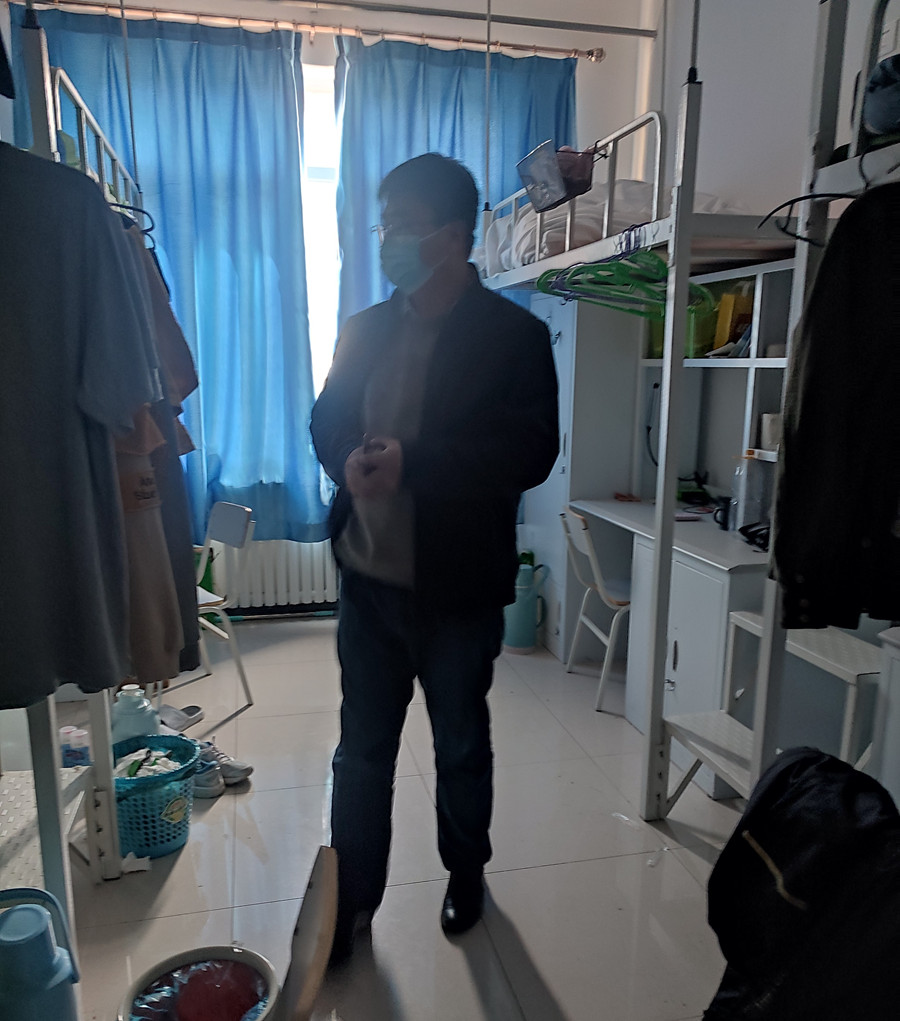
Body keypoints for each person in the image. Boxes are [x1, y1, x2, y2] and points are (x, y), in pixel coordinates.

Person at [310, 152, 559, 964]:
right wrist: (347, 458)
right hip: (369, 581)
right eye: (384, 225)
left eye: (404, 226)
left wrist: (412, 463)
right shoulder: (364, 329)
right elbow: (327, 417)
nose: (389, 240)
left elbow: (530, 451)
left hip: (458, 590)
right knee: (362, 753)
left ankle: (466, 872)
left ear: (453, 235)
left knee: (460, 744)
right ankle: (352, 902)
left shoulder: (515, 337)